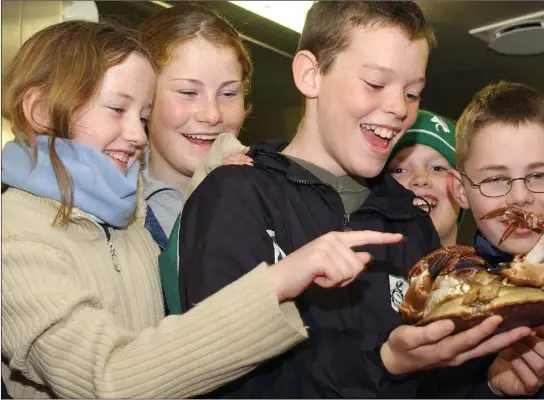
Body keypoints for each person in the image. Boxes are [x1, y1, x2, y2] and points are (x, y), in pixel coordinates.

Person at [0, 20, 402, 399]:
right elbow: (109, 378)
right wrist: (278, 281)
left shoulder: (124, 222)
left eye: (143, 116)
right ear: (39, 110)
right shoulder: (16, 239)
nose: (138, 135)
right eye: (117, 110)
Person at [174, 2, 544, 397]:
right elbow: (224, 377)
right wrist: (383, 363)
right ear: (311, 74)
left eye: (412, 93)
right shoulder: (237, 196)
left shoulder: (411, 225)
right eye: (375, 83)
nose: (397, 108)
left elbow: (435, 384)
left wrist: (491, 385)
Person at [449, 81, 544, 398]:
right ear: (461, 189)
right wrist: (490, 389)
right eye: (494, 178)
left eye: (540, 175)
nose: (520, 197)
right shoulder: (446, 299)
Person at [139, 4, 252, 250]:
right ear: (144, 98)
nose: (212, 115)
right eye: (189, 92)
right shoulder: (102, 217)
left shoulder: (272, 198)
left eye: (229, 93)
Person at [386, 109, 463, 246]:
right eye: (399, 170)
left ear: (463, 189)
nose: (420, 179)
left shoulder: (503, 267)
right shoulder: (351, 267)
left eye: (437, 169)